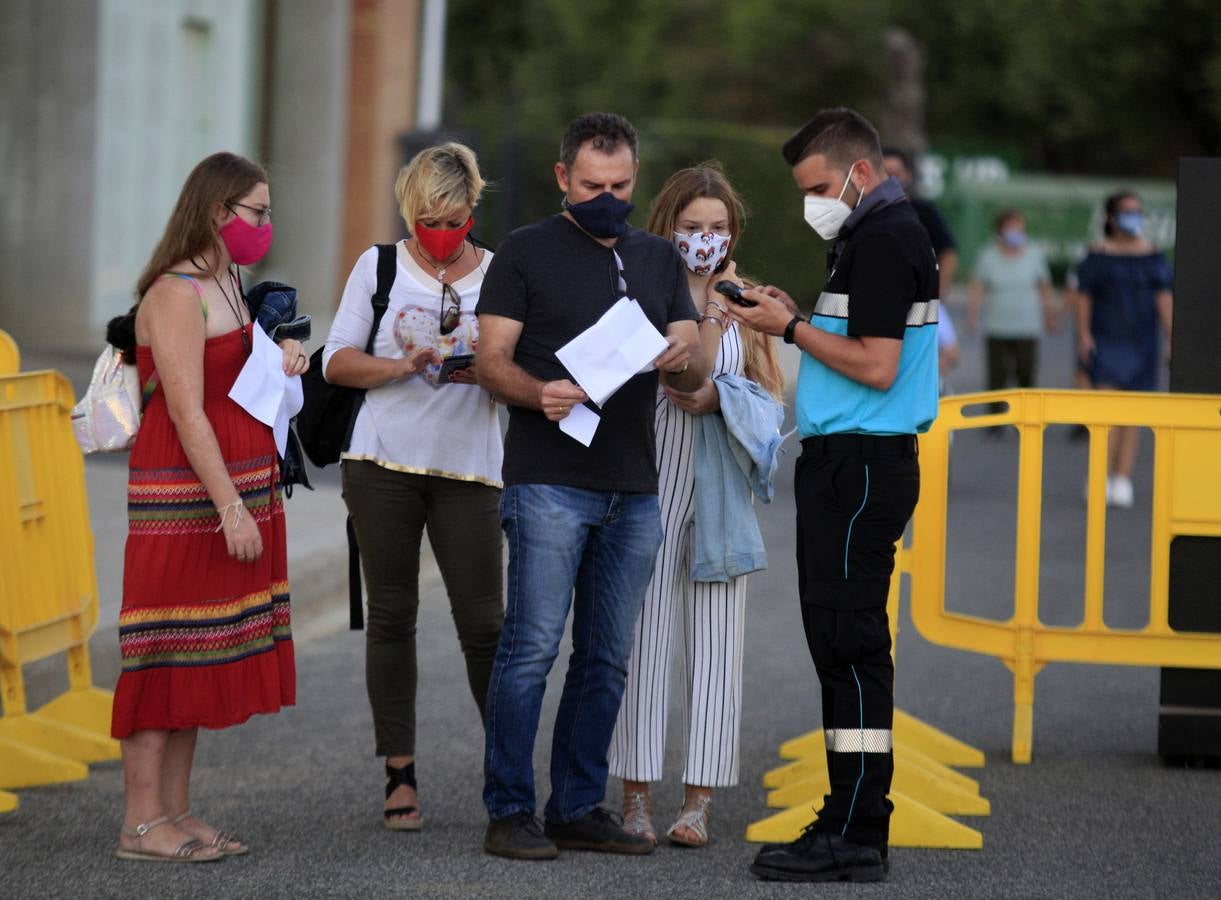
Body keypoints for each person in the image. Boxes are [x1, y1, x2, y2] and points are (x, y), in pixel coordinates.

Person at [475, 112, 708, 860]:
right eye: (591, 185)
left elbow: (694, 362)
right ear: (561, 179)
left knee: (605, 656)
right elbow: (489, 360)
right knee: (531, 649)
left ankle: (576, 804)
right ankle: (510, 810)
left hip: (633, 486)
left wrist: (681, 357)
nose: (607, 198)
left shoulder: (658, 258)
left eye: (620, 186)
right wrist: (535, 391)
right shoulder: (523, 251)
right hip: (548, 479)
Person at [730, 108, 939, 883]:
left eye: (817, 186)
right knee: (839, 646)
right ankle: (850, 816)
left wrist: (788, 329)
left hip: (859, 467)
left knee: (848, 649)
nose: (809, 203)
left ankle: (854, 832)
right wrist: (799, 314)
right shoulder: (876, 233)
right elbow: (862, 341)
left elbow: (876, 365)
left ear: (857, 171)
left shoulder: (883, 238)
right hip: (849, 466)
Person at [111, 152, 306, 862]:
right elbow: (187, 411)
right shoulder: (175, 292)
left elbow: (235, 374)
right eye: (257, 210)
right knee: (161, 650)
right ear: (219, 209)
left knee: (195, 654)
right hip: (185, 495)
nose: (266, 225)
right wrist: (229, 507)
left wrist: (286, 352)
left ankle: (176, 811)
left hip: (234, 482)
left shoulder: (228, 279)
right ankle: (139, 826)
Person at [322, 142, 504, 830]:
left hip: (471, 466)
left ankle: (506, 773)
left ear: (472, 208)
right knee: (392, 616)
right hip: (381, 462)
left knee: (484, 625)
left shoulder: (500, 271)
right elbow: (337, 362)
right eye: (426, 217)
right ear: (407, 208)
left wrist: (485, 368)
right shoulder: (379, 266)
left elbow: (521, 362)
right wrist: (401, 366)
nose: (440, 231)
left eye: (453, 217)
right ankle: (399, 772)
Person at [607, 165, 785, 849]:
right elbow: (686, 372)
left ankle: (699, 800)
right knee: (641, 639)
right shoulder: (638, 283)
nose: (704, 239)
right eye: (691, 227)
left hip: (718, 485)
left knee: (716, 642)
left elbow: (767, 400)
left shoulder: (752, 299)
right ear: (666, 226)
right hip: (646, 476)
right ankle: (635, 797)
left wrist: (725, 396)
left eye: (716, 228)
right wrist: (709, 314)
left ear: (732, 231)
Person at [1074, 190, 1173, 507]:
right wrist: (1084, 335)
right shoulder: (1097, 255)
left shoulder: (1153, 256)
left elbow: (1164, 299)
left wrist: (1172, 337)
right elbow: (1084, 296)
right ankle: (1099, 475)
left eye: (1138, 211)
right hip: (1107, 338)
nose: (1134, 217)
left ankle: (1122, 478)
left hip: (1142, 340)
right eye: (1127, 211)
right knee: (1105, 411)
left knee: (1132, 413)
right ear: (1111, 218)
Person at [966, 209, 1058, 409]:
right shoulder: (988, 255)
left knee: (1026, 371)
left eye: (1019, 227)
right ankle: (995, 417)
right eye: (1011, 227)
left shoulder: (1034, 254)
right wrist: (972, 315)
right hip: (997, 324)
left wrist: (1049, 314)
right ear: (1000, 231)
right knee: (997, 373)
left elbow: (1044, 286)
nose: (1016, 232)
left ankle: (1027, 414)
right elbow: (977, 288)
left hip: (1027, 324)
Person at [882, 148, 957, 300]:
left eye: (896, 174)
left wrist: (936, 297)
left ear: (908, 176)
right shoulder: (862, 214)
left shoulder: (925, 213)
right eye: (885, 174)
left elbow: (948, 254)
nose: (891, 180)